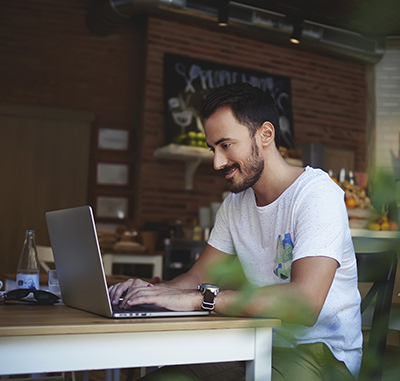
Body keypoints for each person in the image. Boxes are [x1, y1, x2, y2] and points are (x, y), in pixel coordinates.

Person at [109, 82, 362, 380]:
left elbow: (304, 305)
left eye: (226, 145)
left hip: (320, 357)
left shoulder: (316, 195)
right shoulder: (234, 204)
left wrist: (198, 299)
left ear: (265, 134)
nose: (217, 162)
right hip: (257, 345)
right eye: (213, 148)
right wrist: (150, 292)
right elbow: (199, 277)